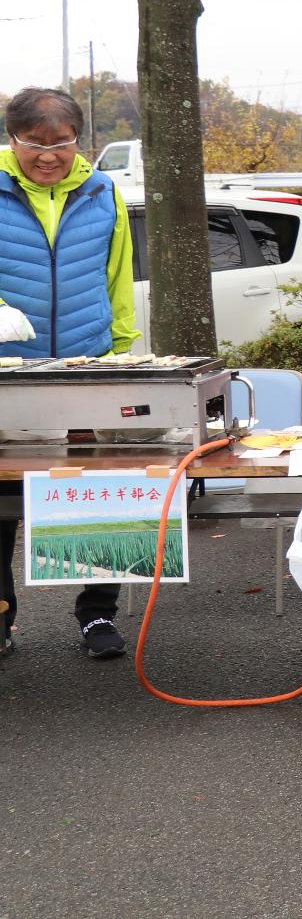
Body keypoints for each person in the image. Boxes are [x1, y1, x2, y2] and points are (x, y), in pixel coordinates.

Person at [0, 88, 140, 660]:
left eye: (61, 143)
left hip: (89, 366)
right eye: (36, 144)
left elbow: (118, 278)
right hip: (9, 369)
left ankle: (97, 614)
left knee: (97, 494)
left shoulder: (102, 191)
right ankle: (1, 619)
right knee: (1, 499)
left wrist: (124, 353)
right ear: (13, 139)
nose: (49, 156)